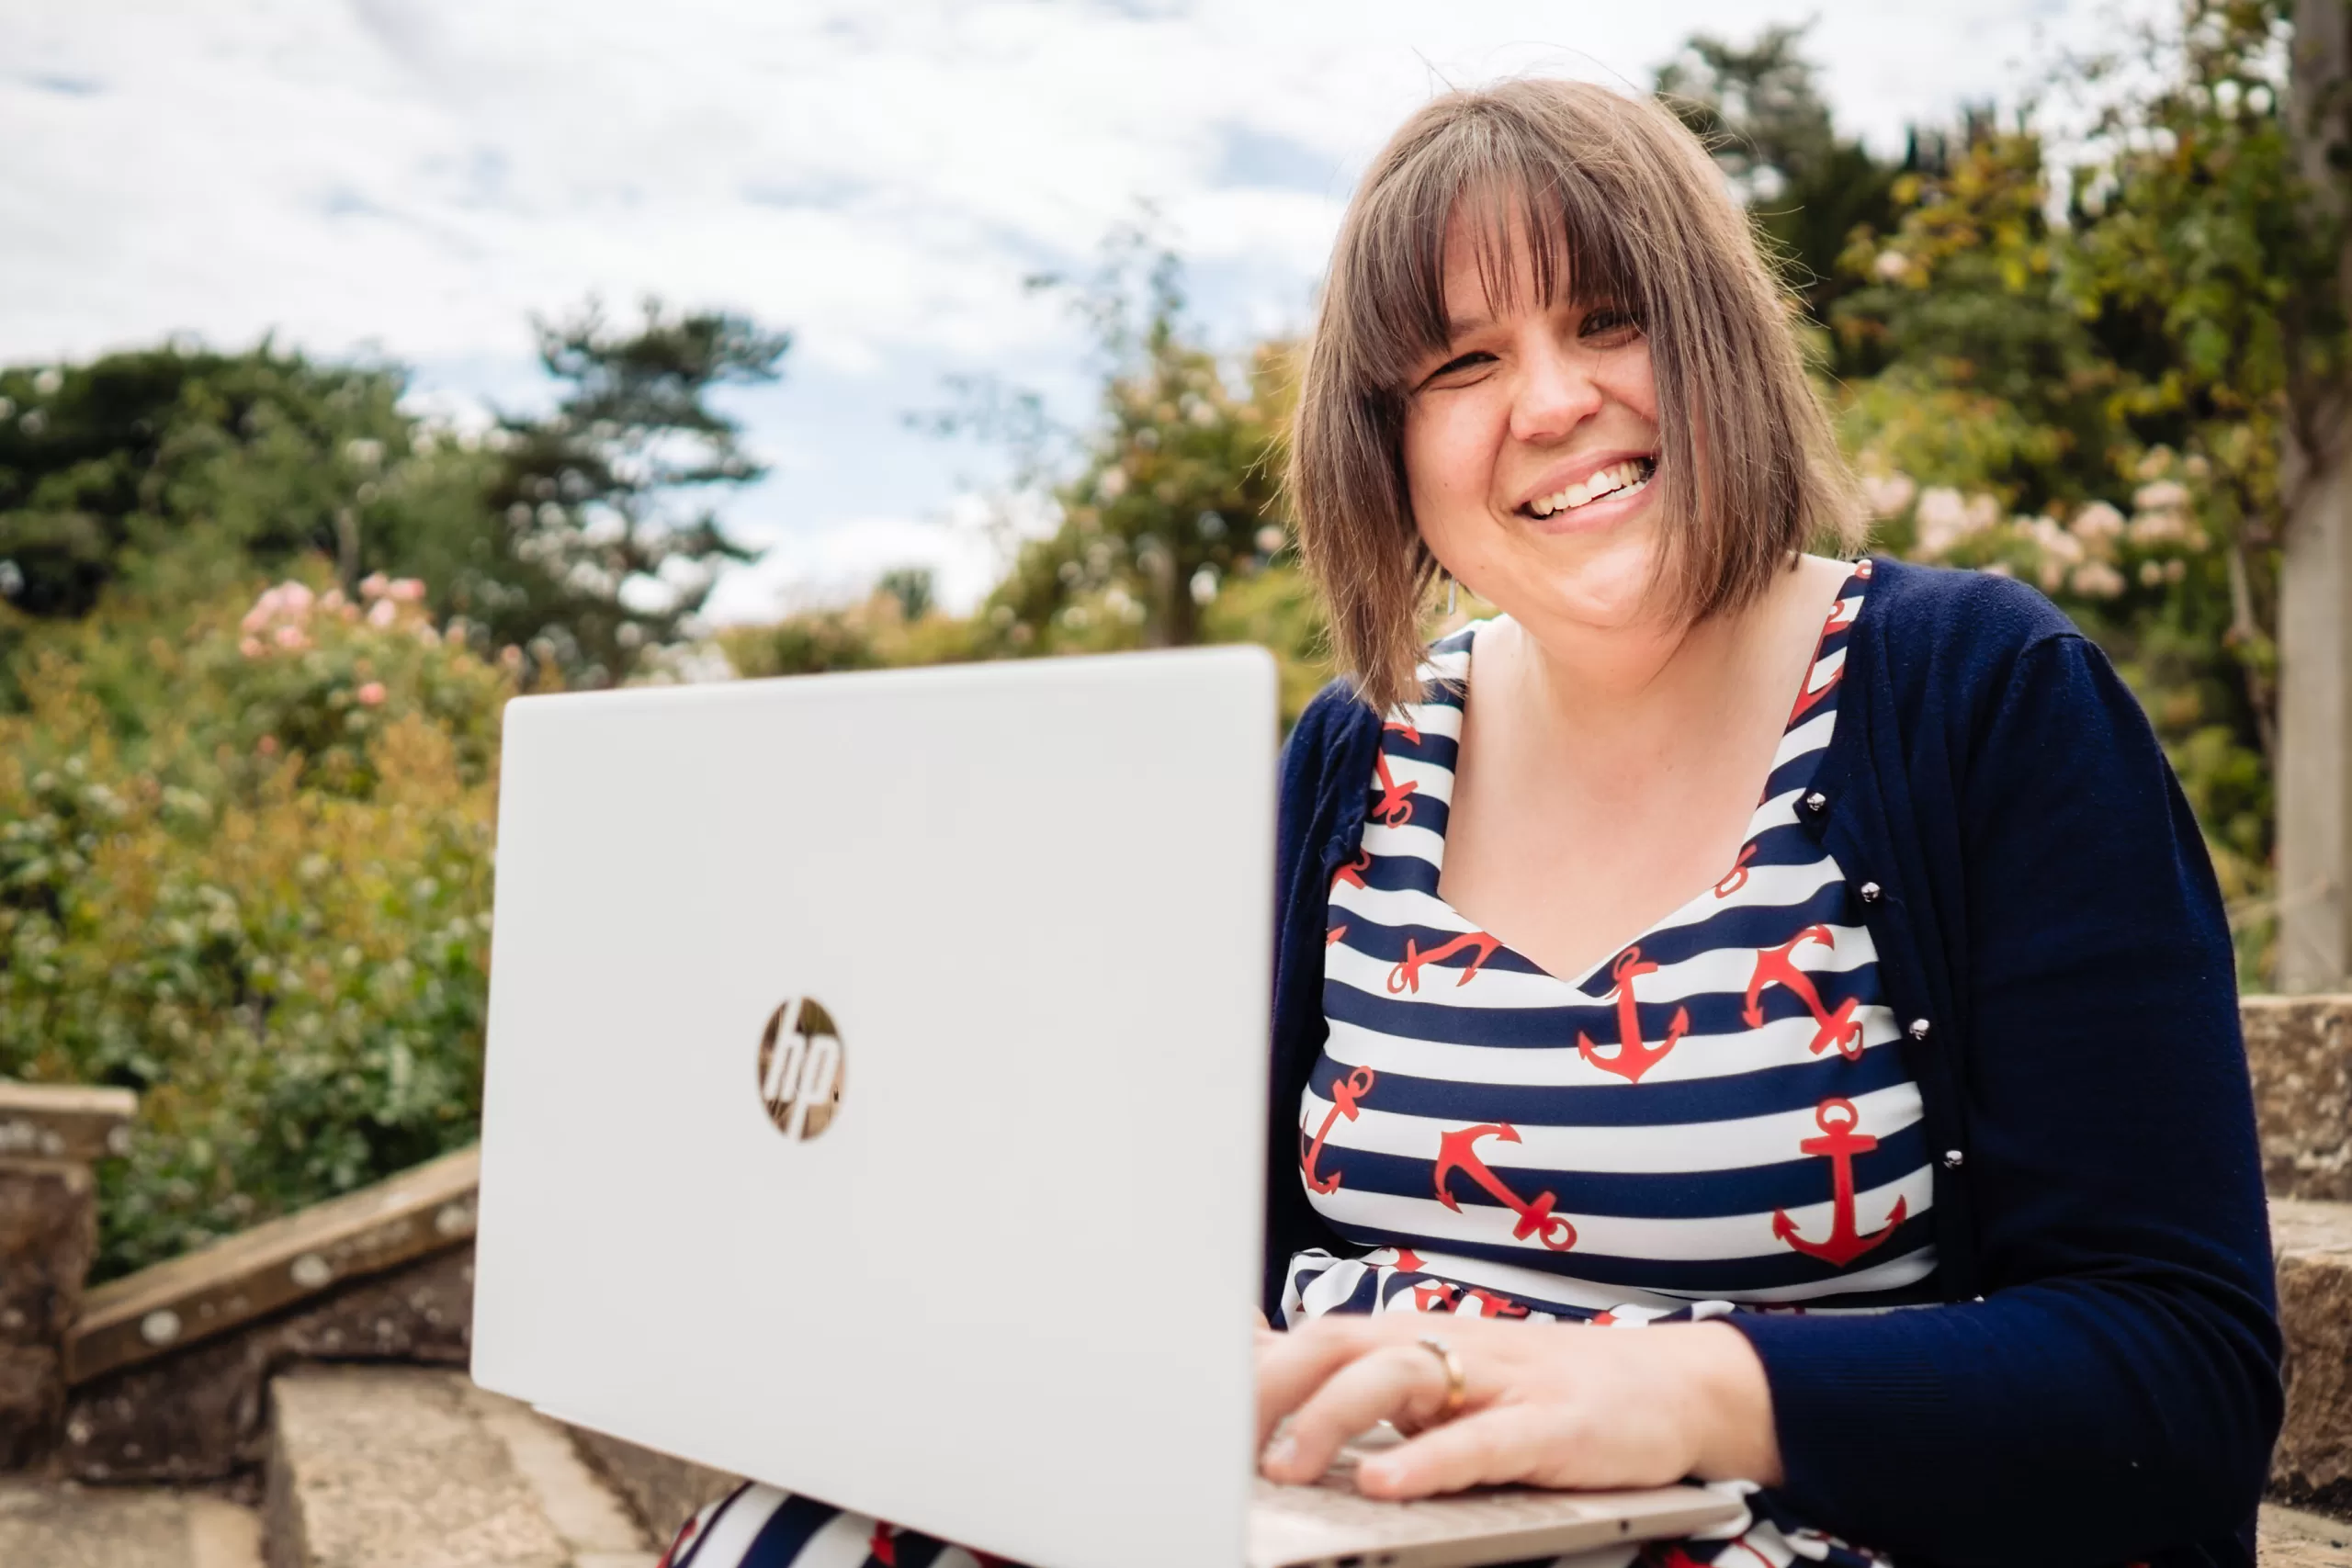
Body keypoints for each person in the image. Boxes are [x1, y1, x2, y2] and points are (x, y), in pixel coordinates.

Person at [659, 77, 2281, 1568]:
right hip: (1344, 1508)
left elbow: (2180, 1363)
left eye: (1611, 319)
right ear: (1392, 450)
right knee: (798, 1531)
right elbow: (1184, 1229)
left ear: (1720, 344)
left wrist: (1672, 1391)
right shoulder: (1350, 763)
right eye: (1463, 362)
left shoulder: (1982, 697)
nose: (1555, 400)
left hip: (1756, 1523)